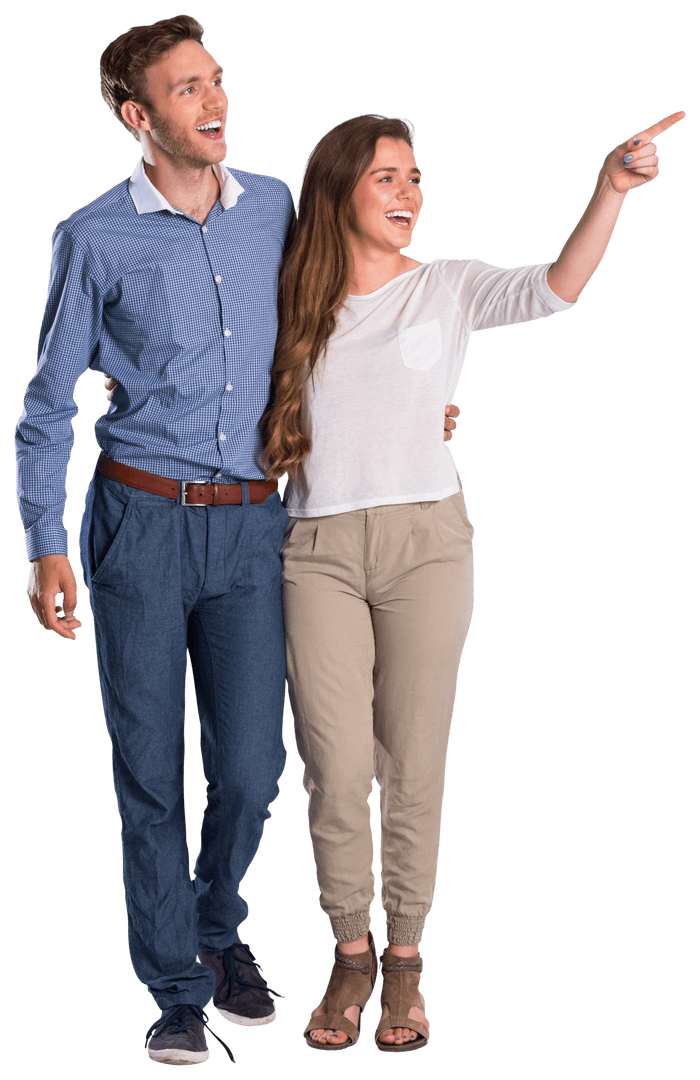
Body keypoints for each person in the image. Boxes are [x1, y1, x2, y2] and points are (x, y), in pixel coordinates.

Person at [14, 16, 458, 1067]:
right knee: (149, 771)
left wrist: (416, 399)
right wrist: (43, 538)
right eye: (184, 91)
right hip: (137, 521)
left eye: (216, 82)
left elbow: (344, 315)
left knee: (255, 770)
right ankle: (174, 985)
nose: (213, 104)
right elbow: (46, 406)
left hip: (260, 524)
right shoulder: (92, 237)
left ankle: (217, 930)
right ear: (138, 115)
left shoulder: (276, 208)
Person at [259, 109, 685, 1052]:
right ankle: (350, 954)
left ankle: (404, 964)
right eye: (387, 178)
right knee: (336, 768)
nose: (410, 193)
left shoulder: (448, 287)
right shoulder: (289, 299)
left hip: (428, 544)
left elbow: (557, 288)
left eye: (416, 177)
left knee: (414, 761)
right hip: (316, 549)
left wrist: (608, 189)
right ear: (338, 190)